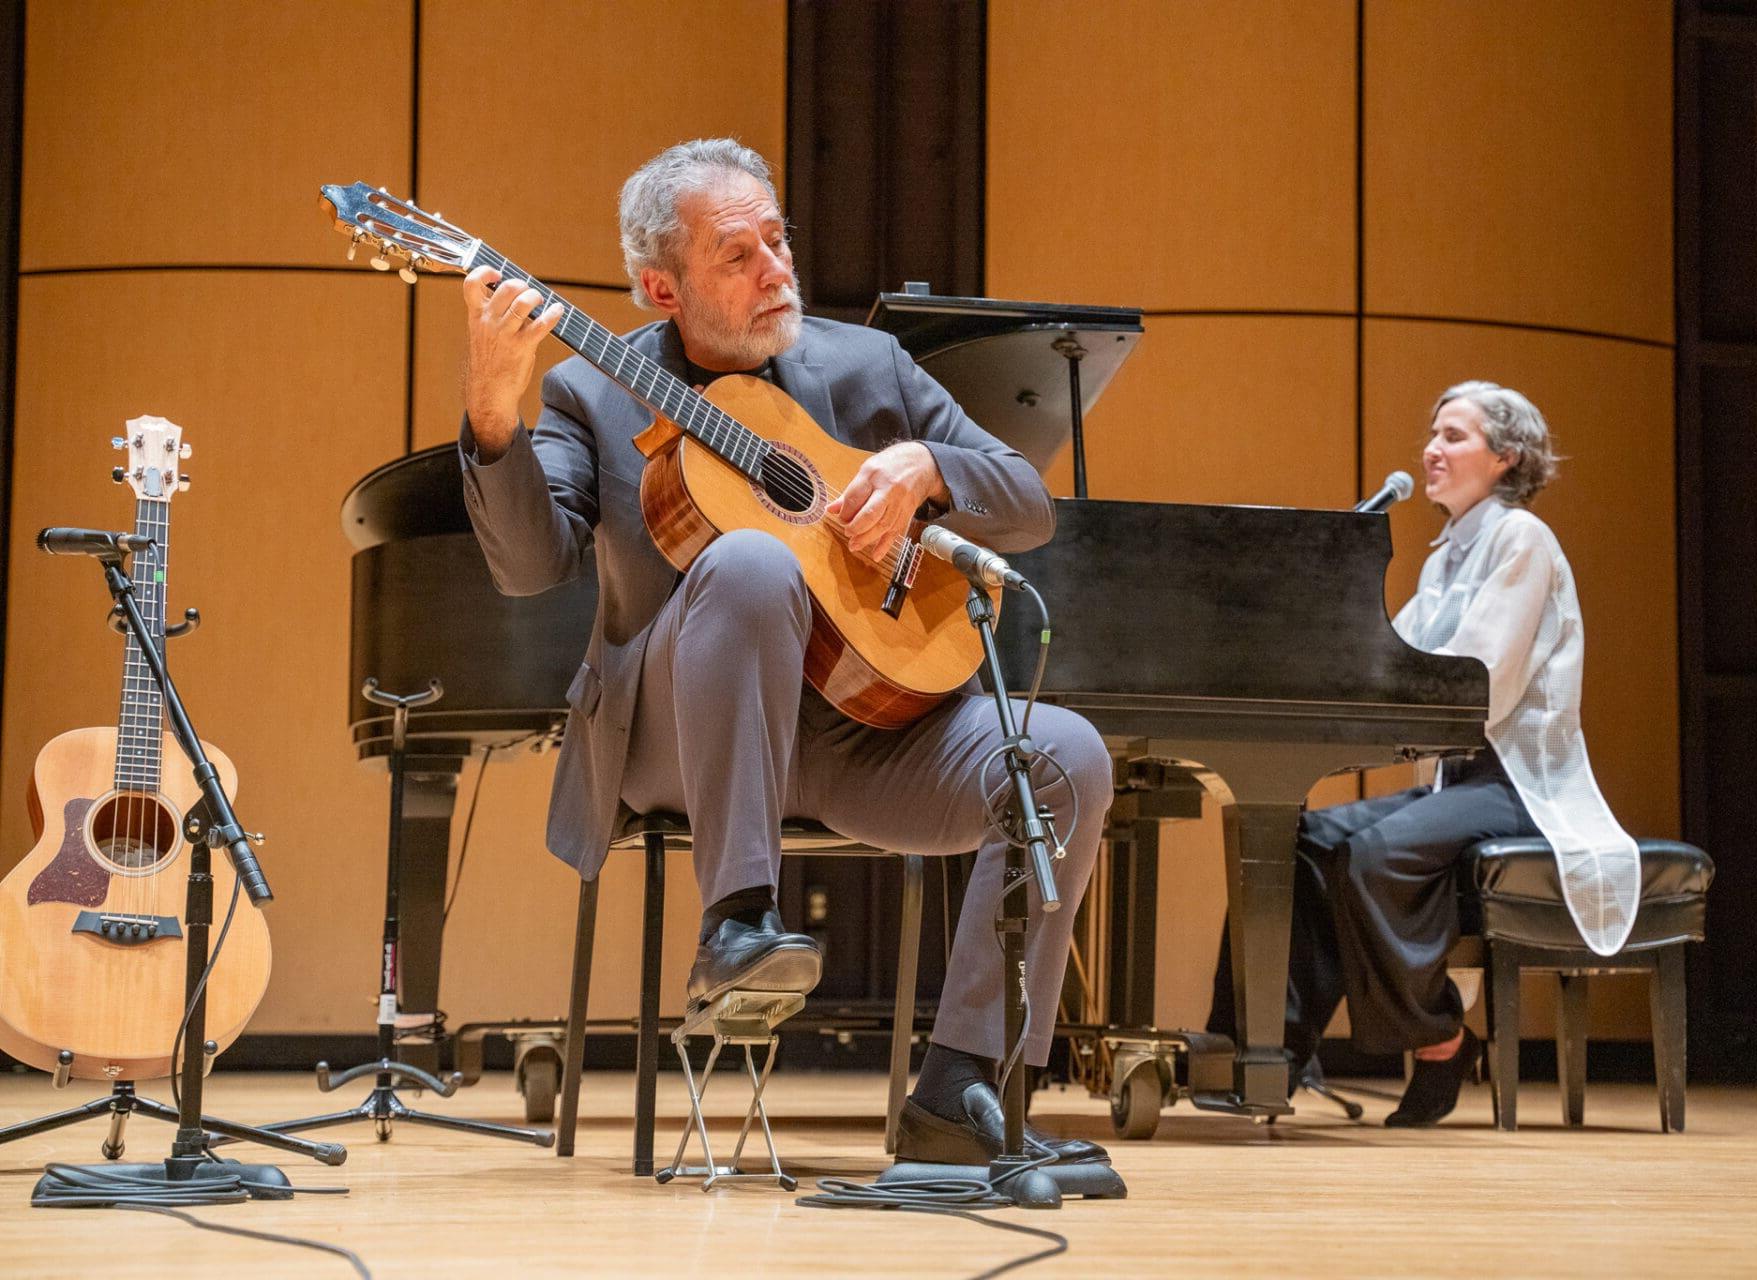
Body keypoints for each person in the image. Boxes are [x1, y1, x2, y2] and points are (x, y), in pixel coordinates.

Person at [455, 138, 1112, 1167]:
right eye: (737, 254)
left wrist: (924, 464)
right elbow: (530, 570)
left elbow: (1026, 504)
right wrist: (494, 408)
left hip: (857, 732)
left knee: (1067, 753)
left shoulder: (866, 365)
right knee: (756, 565)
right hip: (678, 736)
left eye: (779, 239)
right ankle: (738, 923)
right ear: (659, 287)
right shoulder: (591, 392)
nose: (776, 269)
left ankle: (965, 1085)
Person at [1273, 381, 1640, 1126]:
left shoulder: (1520, 539)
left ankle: (1440, 1037)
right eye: (1432, 435)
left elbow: (1481, 681)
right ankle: (1268, 1051)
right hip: (1457, 776)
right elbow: (1397, 654)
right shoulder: (1447, 553)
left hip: (1519, 782)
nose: (1431, 451)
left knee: (1374, 854)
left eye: (1453, 436)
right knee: (1302, 839)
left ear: (1506, 457)